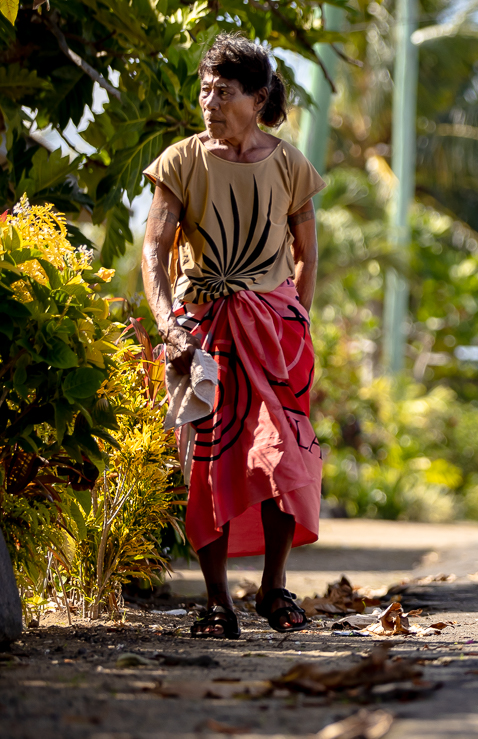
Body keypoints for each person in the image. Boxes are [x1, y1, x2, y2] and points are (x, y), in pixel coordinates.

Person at [140, 34, 326, 639]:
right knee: (207, 462)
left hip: (273, 333)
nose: (210, 103)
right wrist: (169, 325)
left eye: (224, 92)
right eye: (205, 91)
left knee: (283, 452)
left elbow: (307, 255)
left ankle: (272, 588)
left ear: (257, 96)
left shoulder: (290, 164)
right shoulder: (179, 161)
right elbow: (155, 248)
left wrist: (296, 318)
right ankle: (217, 601)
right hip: (201, 333)